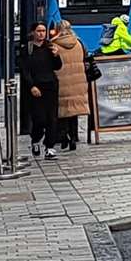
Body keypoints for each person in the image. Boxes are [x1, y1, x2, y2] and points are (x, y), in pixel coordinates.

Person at [19, 22, 62, 159]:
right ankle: (36, 139)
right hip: (36, 87)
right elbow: (24, 70)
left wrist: (56, 56)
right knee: (39, 119)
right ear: (33, 32)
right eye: (38, 31)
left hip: (51, 85)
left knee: (52, 118)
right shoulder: (28, 49)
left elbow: (57, 67)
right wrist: (31, 86)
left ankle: (49, 147)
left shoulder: (49, 47)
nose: (41, 33)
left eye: (43, 31)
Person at [52, 21, 89, 151]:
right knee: (74, 112)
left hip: (61, 81)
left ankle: (64, 137)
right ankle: (74, 137)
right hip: (78, 82)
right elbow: (86, 58)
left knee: (62, 112)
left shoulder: (54, 45)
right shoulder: (79, 43)